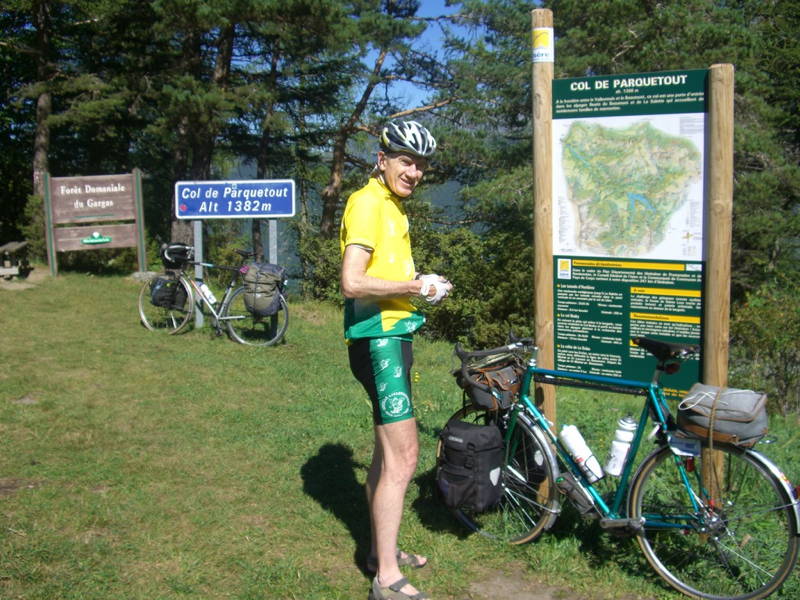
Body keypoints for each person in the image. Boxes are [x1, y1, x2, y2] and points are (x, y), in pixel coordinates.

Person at [340, 120, 452, 600]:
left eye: (421, 164)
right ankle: (386, 577)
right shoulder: (367, 204)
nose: (415, 172)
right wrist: (413, 286)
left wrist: (420, 285)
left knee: (385, 455)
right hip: (378, 339)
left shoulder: (389, 204)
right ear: (382, 159)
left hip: (392, 336)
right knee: (405, 458)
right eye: (406, 160)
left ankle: (378, 553)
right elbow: (352, 281)